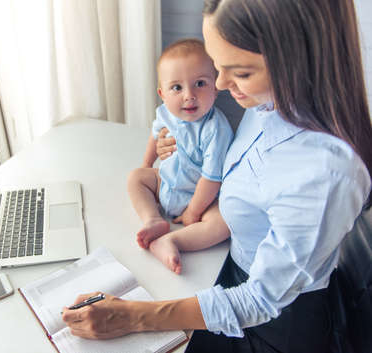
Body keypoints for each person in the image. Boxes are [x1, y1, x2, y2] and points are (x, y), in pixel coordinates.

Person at [62, 1, 372, 351]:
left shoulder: (326, 171)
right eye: (218, 66)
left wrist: (133, 315)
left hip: (274, 325)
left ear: (297, 62)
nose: (222, 84)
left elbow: (260, 300)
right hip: (227, 271)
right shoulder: (266, 105)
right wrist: (177, 149)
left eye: (240, 72)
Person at [127, 38, 233, 274]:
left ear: (215, 87)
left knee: (222, 225)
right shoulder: (165, 113)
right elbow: (155, 137)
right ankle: (152, 218)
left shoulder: (216, 129)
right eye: (177, 87)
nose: (189, 95)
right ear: (162, 93)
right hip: (167, 183)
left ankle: (173, 241)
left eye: (200, 84)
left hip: (200, 195)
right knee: (135, 177)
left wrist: (193, 211)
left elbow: (211, 178)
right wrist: (146, 166)